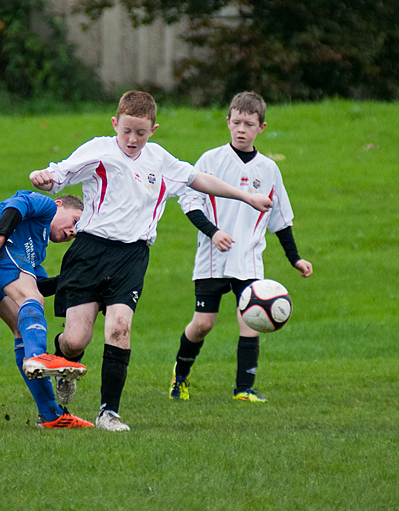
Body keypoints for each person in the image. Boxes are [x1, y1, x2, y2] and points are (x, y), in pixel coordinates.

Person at [30, 90, 272, 431]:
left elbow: (199, 180)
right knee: (75, 340)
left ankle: (108, 413)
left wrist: (246, 196)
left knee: (119, 327)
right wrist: (45, 176)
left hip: (132, 256)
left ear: (153, 130)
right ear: (115, 123)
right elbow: (62, 172)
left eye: (140, 133)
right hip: (89, 251)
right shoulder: (100, 150)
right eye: (126, 130)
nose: (132, 139)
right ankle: (65, 361)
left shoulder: (159, 160)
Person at [169, 91, 313, 403]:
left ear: (261, 127)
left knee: (251, 319)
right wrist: (214, 232)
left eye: (249, 124)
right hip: (212, 259)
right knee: (203, 324)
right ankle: (180, 377)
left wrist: (295, 259)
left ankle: (243, 389)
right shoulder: (211, 160)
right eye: (236, 122)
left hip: (249, 260)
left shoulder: (269, 169)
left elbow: (280, 219)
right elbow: (189, 201)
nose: (241, 129)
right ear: (228, 122)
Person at [0, 191, 93, 429]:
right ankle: (37, 357)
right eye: (75, 222)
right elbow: (17, 205)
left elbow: (38, 285)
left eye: (76, 233)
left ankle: (50, 415)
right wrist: (0, 237)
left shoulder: (36, 248)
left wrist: (73, 279)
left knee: (20, 325)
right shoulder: (46, 206)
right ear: (59, 205)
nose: (73, 232)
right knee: (31, 298)